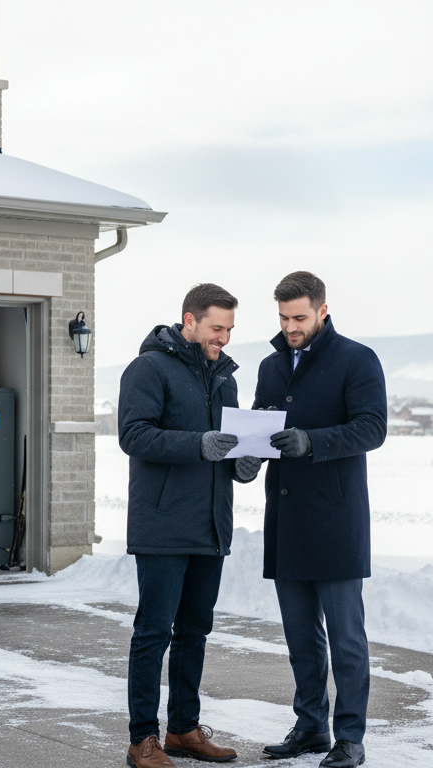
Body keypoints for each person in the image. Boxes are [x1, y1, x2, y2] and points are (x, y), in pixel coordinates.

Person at [119, 284, 262, 768]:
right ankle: (143, 740)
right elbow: (134, 435)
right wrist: (199, 444)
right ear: (190, 321)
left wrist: (247, 460)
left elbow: (230, 446)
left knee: (195, 631)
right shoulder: (148, 368)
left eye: (229, 330)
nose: (223, 338)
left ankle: (182, 729)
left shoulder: (226, 378)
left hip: (210, 525)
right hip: (161, 524)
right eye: (216, 328)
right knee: (153, 633)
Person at [253, 272, 387, 768]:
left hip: (337, 519)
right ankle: (311, 725)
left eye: (300, 318)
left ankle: (349, 737)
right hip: (286, 518)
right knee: (300, 637)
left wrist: (313, 442)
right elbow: (260, 426)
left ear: (323, 310)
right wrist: (247, 458)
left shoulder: (356, 359)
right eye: (284, 318)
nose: (291, 327)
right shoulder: (270, 366)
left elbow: (373, 428)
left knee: (346, 638)